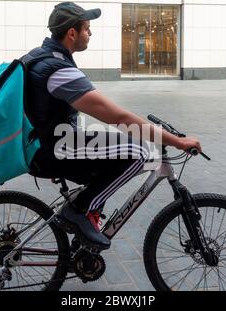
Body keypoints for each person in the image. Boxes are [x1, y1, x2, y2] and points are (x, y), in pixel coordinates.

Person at [25, 2, 202, 250]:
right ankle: (78, 211)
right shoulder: (58, 70)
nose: (91, 33)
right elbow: (119, 117)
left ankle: (87, 222)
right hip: (54, 149)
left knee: (111, 158)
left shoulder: (45, 57)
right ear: (71, 33)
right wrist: (177, 141)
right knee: (139, 152)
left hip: (47, 143)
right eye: (87, 28)